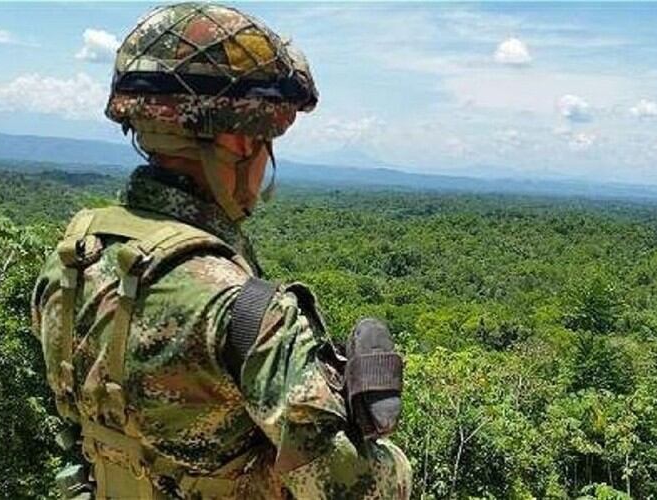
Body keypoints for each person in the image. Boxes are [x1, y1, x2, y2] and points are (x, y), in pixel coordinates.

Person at [30, 3, 411, 498]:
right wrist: (388, 459)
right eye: (265, 143)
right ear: (237, 142)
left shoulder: (72, 261)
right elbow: (354, 489)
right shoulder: (248, 313)